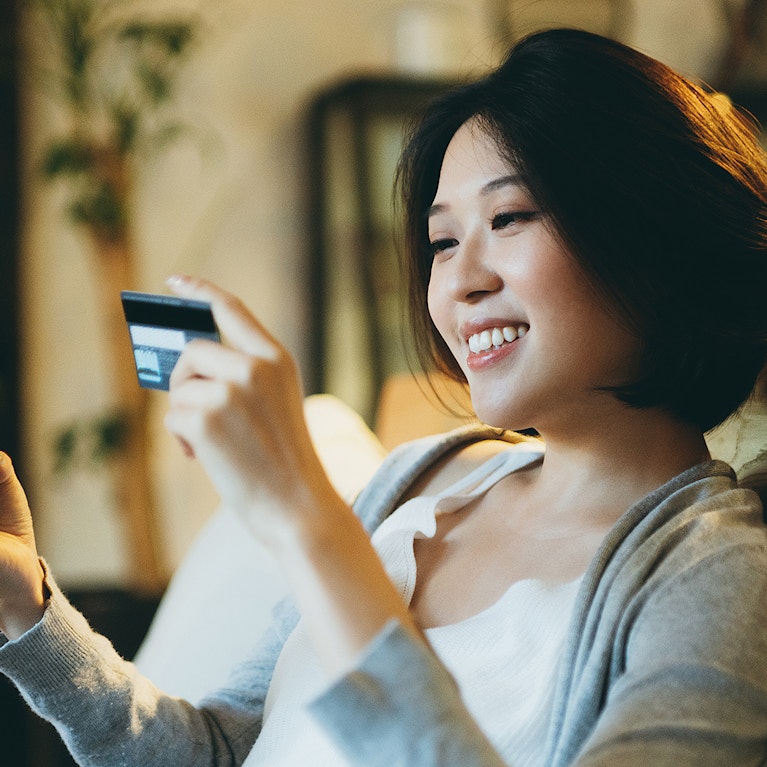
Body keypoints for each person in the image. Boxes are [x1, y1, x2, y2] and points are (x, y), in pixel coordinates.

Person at [1, 26, 767, 767]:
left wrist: (304, 518)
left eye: (508, 217)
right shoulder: (417, 481)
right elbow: (222, 753)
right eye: (441, 241)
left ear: (657, 240)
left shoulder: (717, 576)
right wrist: (27, 609)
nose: (461, 281)